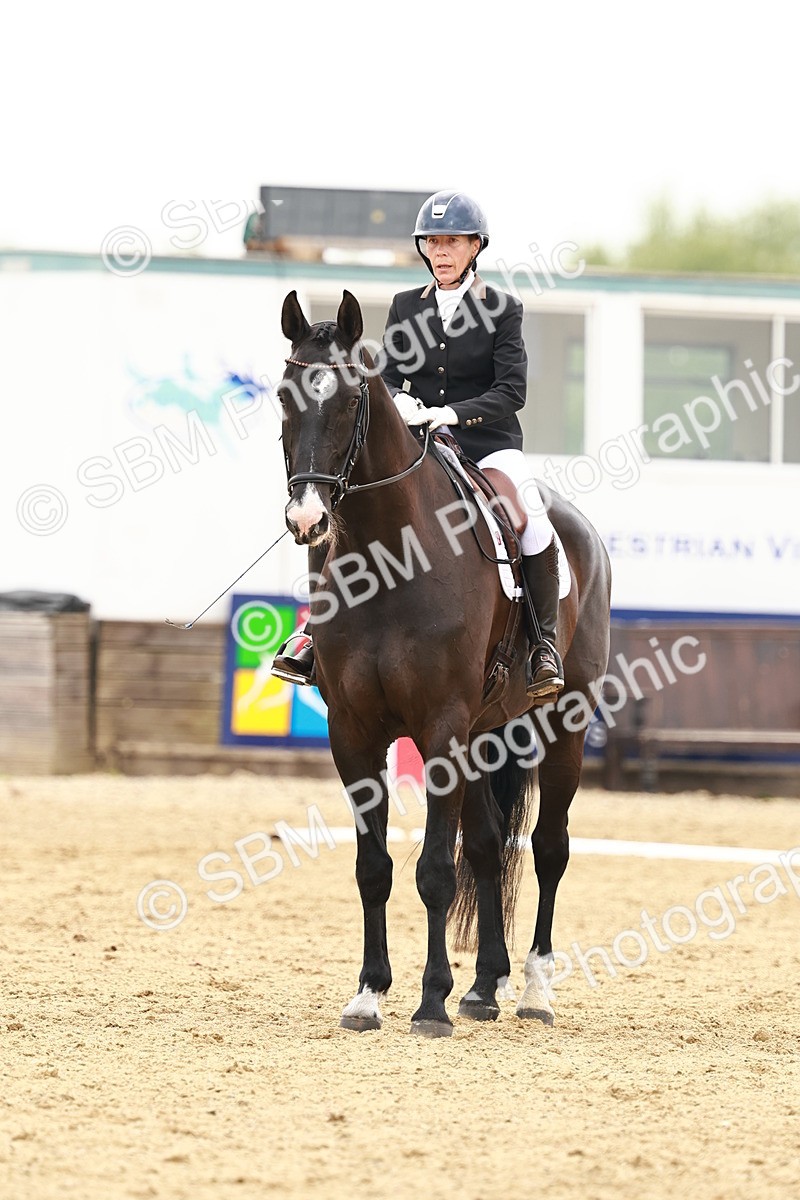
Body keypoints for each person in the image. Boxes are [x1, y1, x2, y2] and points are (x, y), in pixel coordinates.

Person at [272, 189, 564, 700]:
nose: (441, 252)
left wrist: (450, 412)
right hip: (421, 443)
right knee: (340, 509)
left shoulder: (502, 309)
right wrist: (403, 402)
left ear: (475, 246)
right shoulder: (408, 305)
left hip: (488, 443)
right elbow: (395, 375)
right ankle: (313, 632)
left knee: (534, 520)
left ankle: (543, 644)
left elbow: (511, 390)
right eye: (432, 242)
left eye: (452, 241)